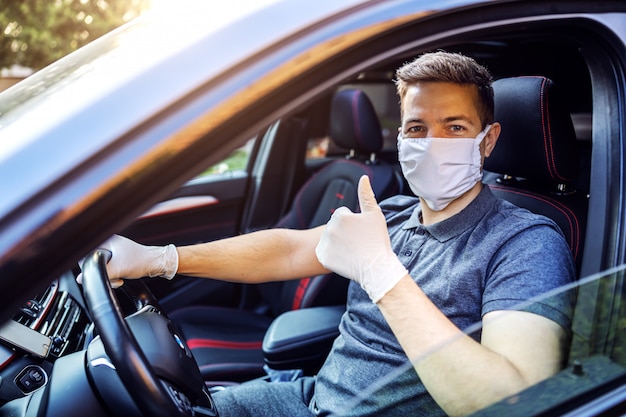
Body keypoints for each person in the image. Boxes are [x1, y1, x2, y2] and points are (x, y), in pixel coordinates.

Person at [89, 51, 575, 417]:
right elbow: (288, 249)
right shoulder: (394, 214)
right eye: (417, 129)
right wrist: (154, 259)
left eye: (454, 127)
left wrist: (380, 271)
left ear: (487, 140)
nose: (433, 144)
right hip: (314, 397)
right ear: (400, 140)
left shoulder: (527, 242)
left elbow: (514, 401)